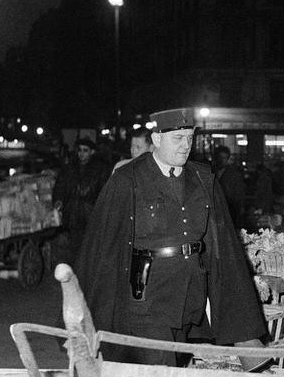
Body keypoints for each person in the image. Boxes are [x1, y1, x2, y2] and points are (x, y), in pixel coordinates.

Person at [74, 107, 267, 362]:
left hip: (189, 297)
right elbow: (101, 246)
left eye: (190, 138)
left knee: (173, 372)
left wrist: (240, 324)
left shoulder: (202, 178)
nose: (186, 146)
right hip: (148, 299)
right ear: (156, 139)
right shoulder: (128, 179)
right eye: (178, 138)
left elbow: (224, 246)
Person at [53, 136, 110, 265]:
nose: (81, 154)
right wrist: (58, 200)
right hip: (73, 213)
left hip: (90, 213)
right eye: (79, 150)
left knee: (89, 246)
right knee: (74, 245)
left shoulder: (100, 169)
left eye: (85, 150)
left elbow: (104, 192)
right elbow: (60, 186)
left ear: (92, 152)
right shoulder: (70, 168)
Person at [213, 145, 246, 228]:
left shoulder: (234, 175)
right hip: (214, 209)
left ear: (227, 159)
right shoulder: (210, 172)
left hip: (230, 209)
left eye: (224, 158)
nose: (221, 160)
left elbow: (239, 193)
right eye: (220, 157)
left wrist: (240, 207)